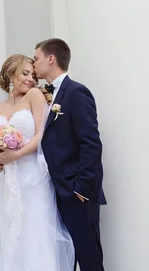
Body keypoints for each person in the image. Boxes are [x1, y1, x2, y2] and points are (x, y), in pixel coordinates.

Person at [0, 54, 74, 271]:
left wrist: (15, 155)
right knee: (12, 233)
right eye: (25, 73)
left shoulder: (34, 95)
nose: (31, 80)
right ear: (10, 74)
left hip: (33, 176)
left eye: (33, 75)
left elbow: (41, 135)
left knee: (36, 231)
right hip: (8, 179)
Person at [34, 38, 106, 271]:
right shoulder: (43, 97)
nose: (34, 64)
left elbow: (91, 143)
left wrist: (82, 188)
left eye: (36, 59)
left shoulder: (76, 92)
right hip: (53, 191)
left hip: (76, 192)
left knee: (89, 259)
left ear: (51, 58)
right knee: (65, 258)